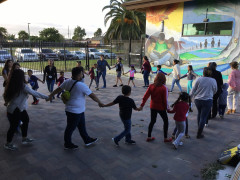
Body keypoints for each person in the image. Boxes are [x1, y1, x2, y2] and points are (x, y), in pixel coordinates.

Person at [49, 67, 103, 150]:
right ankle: (67, 144)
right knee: (70, 128)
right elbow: (92, 95)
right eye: (82, 73)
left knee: (81, 126)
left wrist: (50, 95)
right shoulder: (81, 85)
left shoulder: (67, 82)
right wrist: (99, 102)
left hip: (76, 110)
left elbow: (58, 89)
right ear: (79, 75)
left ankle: (87, 140)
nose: (82, 75)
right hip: (74, 111)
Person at [3, 69, 49, 150]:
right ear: (20, 77)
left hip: (18, 108)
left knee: (26, 120)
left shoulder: (12, 84)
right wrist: (48, 97)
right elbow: (35, 93)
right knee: (13, 127)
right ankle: (8, 143)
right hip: (15, 109)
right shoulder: (22, 86)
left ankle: (24, 138)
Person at [139, 73, 172, 142]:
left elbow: (145, 97)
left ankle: (149, 136)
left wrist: (142, 105)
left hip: (153, 106)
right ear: (164, 79)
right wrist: (168, 109)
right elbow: (165, 100)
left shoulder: (151, 86)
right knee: (165, 121)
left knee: (152, 121)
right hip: (161, 108)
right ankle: (165, 138)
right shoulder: (164, 88)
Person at [190, 67, 217, 139]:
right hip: (208, 100)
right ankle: (199, 133)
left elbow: (193, 90)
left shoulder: (199, 79)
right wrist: (210, 94)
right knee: (203, 117)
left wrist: (189, 98)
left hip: (198, 100)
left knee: (199, 113)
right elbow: (215, 90)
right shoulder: (213, 80)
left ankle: (199, 128)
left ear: (203, 72)